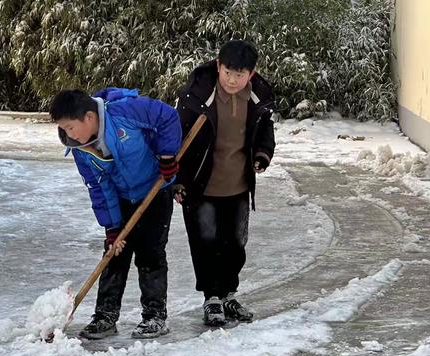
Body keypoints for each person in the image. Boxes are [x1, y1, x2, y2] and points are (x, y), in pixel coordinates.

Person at [49, 88, 182, 339]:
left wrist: (167, 155)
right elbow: (99, 187)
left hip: (155, 190)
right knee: (114, 254)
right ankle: (105, 317)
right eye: (64, 129)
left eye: (70, 127)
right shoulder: (80, 149)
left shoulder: (125, 111)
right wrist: (112, 227)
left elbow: (167, 117)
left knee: (150, 253)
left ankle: (154, 316)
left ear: (89, 117)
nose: (68, 134)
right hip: (121, 197)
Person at [174, 39, 275, 327]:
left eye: (240, 74)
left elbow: (265, 128)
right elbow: (177, 138)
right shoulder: (197, 94)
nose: (232, 79)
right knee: (206, 241)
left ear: (251, 74)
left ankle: (229, 294)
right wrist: (178, 180)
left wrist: (262, 154)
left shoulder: (258, 96)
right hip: (201, 183)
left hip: (239, 182)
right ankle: (211, 298)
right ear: (218, 66)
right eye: (228, 72)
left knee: (236, 242)